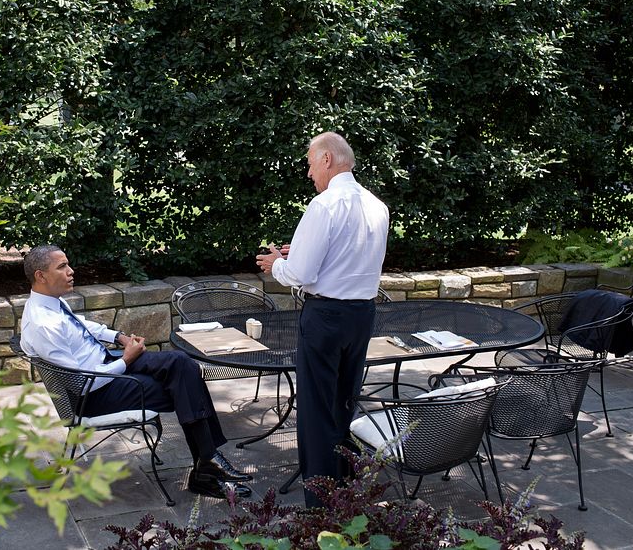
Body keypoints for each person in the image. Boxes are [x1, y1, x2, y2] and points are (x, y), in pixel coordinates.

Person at [20, 244, 252, 500]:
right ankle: (208, 466)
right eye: (62, 267)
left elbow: (81, 326)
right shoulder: (43, 325)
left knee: (182, 364)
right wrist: (126, 360)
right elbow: (81, 385)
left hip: (106, 366)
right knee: (184, 386)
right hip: (94, 395)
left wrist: (119, 337)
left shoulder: (52, 304)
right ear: (41, 275)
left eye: (68, 264)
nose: (71, 271)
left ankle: (208, 463)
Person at [256, 132, 389, 508]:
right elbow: (349, 259)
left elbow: (300, 272)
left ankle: (320, 503)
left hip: (326, 316)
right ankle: (346, 485)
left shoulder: (324, 205)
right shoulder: (377, 205)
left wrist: (276, 264)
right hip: (362, 315)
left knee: (315, 408)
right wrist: (295, 256)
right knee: (343, 401)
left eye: (312, 163)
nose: (310, 172)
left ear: (328, 159)